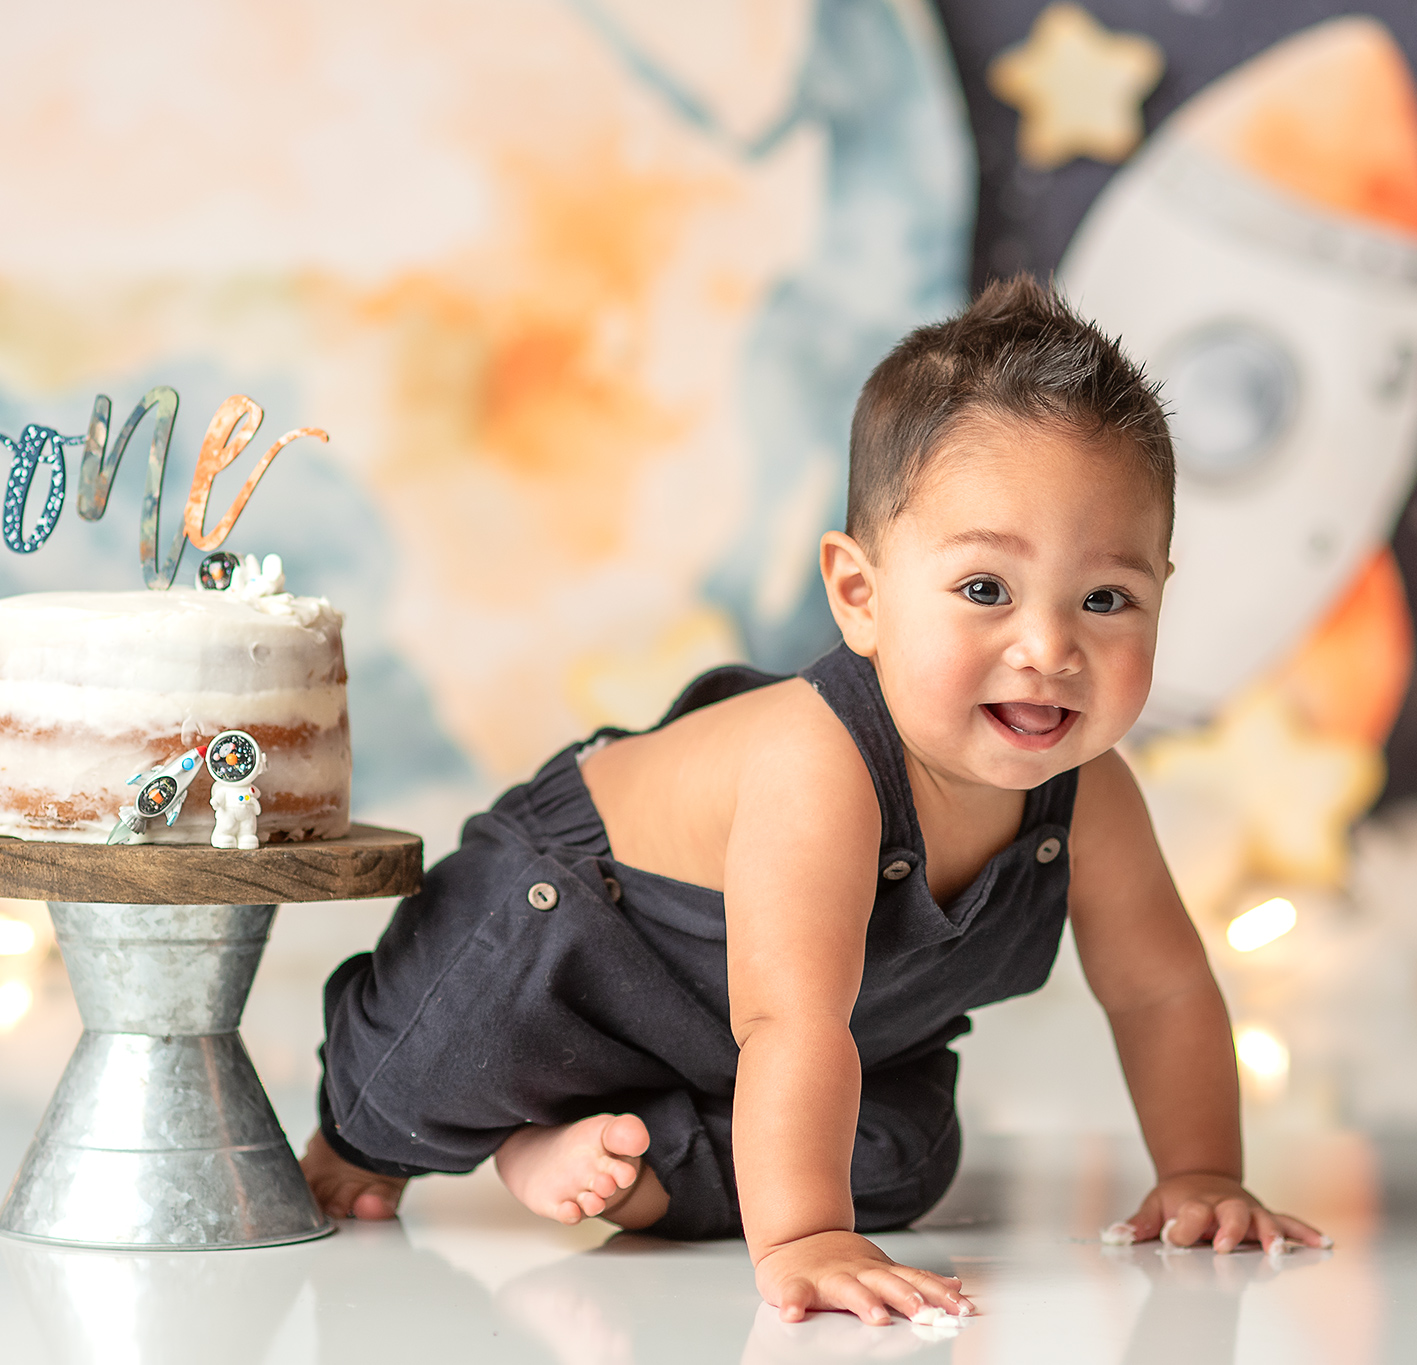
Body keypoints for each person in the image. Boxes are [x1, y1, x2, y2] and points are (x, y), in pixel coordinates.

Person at [300, 275, 1327, 1325]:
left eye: (1106, 598)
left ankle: (610, 1159)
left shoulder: (1091, 795)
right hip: (570, 928)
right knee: (430, 1065)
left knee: (904, 1152)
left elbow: (1160, 990)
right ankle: (389, 1132)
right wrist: (806, 1237)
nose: (1049, 647)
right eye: (985, 589)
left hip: (757, 1042)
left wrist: (1201, 1174)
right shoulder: (820, 762)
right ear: (859, 595)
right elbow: (787, 1018)